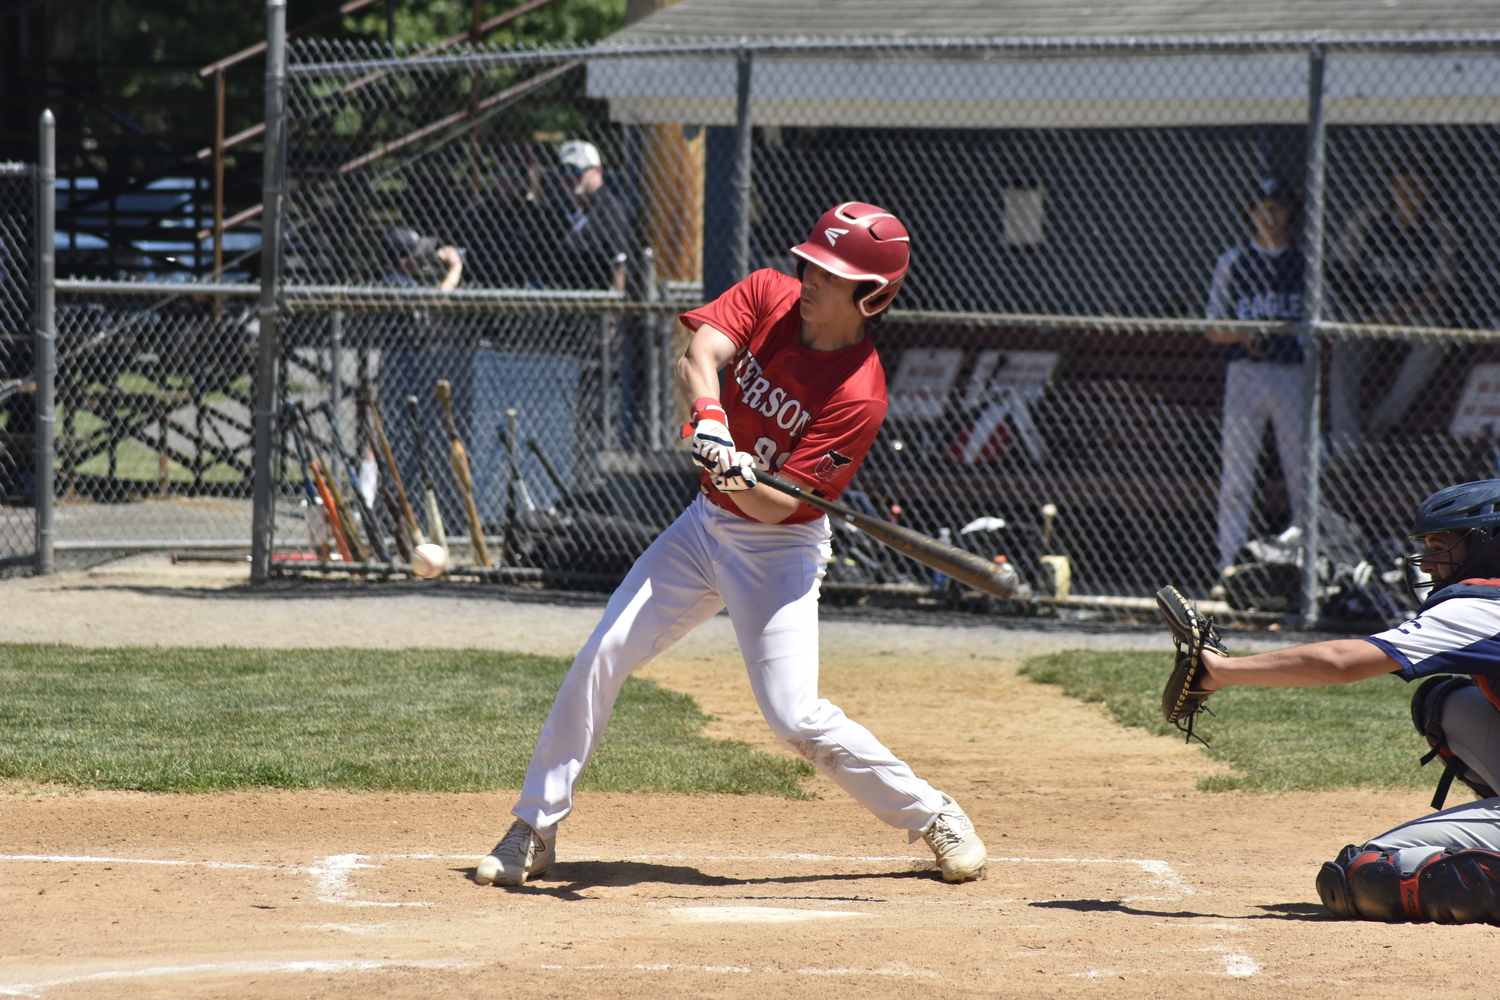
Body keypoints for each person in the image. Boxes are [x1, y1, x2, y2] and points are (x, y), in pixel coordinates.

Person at [475, 202, 989, 887]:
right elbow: (700, 355)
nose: (808, 277)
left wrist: (743, 478)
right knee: (603, 651)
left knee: (794, 717)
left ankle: (932, 815)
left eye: (829, 274)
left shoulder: (859, 395)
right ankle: (534, 827)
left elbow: (779, 508)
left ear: (873, 296)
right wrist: (713, 424)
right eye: (809, 262)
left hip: (777, 553)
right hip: (702, 526)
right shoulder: (769, 294)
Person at [1180, 478, 1500, 924]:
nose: (1428, 561)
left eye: (1442, 544)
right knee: (1443, 704)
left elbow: (1340, 661)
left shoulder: (1483, 606)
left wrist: (1220, 672)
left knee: (1370, 873)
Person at [1205, 177, 1306, 573]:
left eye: (1277, 207)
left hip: (1293, 375)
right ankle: (1229, 562)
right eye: (1261, 207)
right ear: (1250, 213)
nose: (1269, 215)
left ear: (1290, 213)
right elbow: (1214, 329)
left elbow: (1328, 324)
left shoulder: (1304, 261)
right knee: (1237, 474)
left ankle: (1305, 562)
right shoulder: (1233, 262)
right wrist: (1246, 334)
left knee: (1300, 472)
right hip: (1244, 373)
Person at [1327, 160, 1458, 456]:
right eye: (1402, 183)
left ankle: (1380, 423)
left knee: (1436, 340)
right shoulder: (1370, 218)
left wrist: (1395, 313)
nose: (1409, 191)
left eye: (1417, 185)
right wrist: (1362, 310)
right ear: (1391, 185)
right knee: (1344, 347)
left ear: (1429, 190)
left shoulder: (1438, 228)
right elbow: (1335, 269)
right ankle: (1346, 446)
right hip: (1367, 311)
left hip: (1409, 313)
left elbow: (1442, 289)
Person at [535, 139, 631, 292]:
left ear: (598, 171)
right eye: (564, 171)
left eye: (577, 170)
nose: (570, 177)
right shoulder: (565, 212)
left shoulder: (609, 211)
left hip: (593, 306)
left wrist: (612, 313)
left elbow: (620, 266)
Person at [381, 227, 464, 291]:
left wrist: (445, 273)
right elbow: (437, 302)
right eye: (418, 256)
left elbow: (435, 293)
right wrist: (455, 267)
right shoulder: (396, 280)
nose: (423, 258)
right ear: (404, 261)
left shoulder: (401, 277)